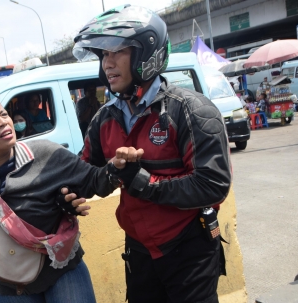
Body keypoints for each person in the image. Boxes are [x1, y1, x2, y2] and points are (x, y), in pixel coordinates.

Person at [73, 5, 232, 303]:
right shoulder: (104, 119)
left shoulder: (190, 110)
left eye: (116, 51)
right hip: (139, 250)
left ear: (147, 52)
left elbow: (212, 185)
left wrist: (143, 182)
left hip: (189, 247)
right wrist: (109, 172)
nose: (108, 63)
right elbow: (85, 176)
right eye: (103, 55)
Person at [0, 92, 138, 302]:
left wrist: (116, 166)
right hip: (9, 278)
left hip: (60, 270)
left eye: (4, 114)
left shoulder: (47, 153)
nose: (3, 122)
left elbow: (93, 181)